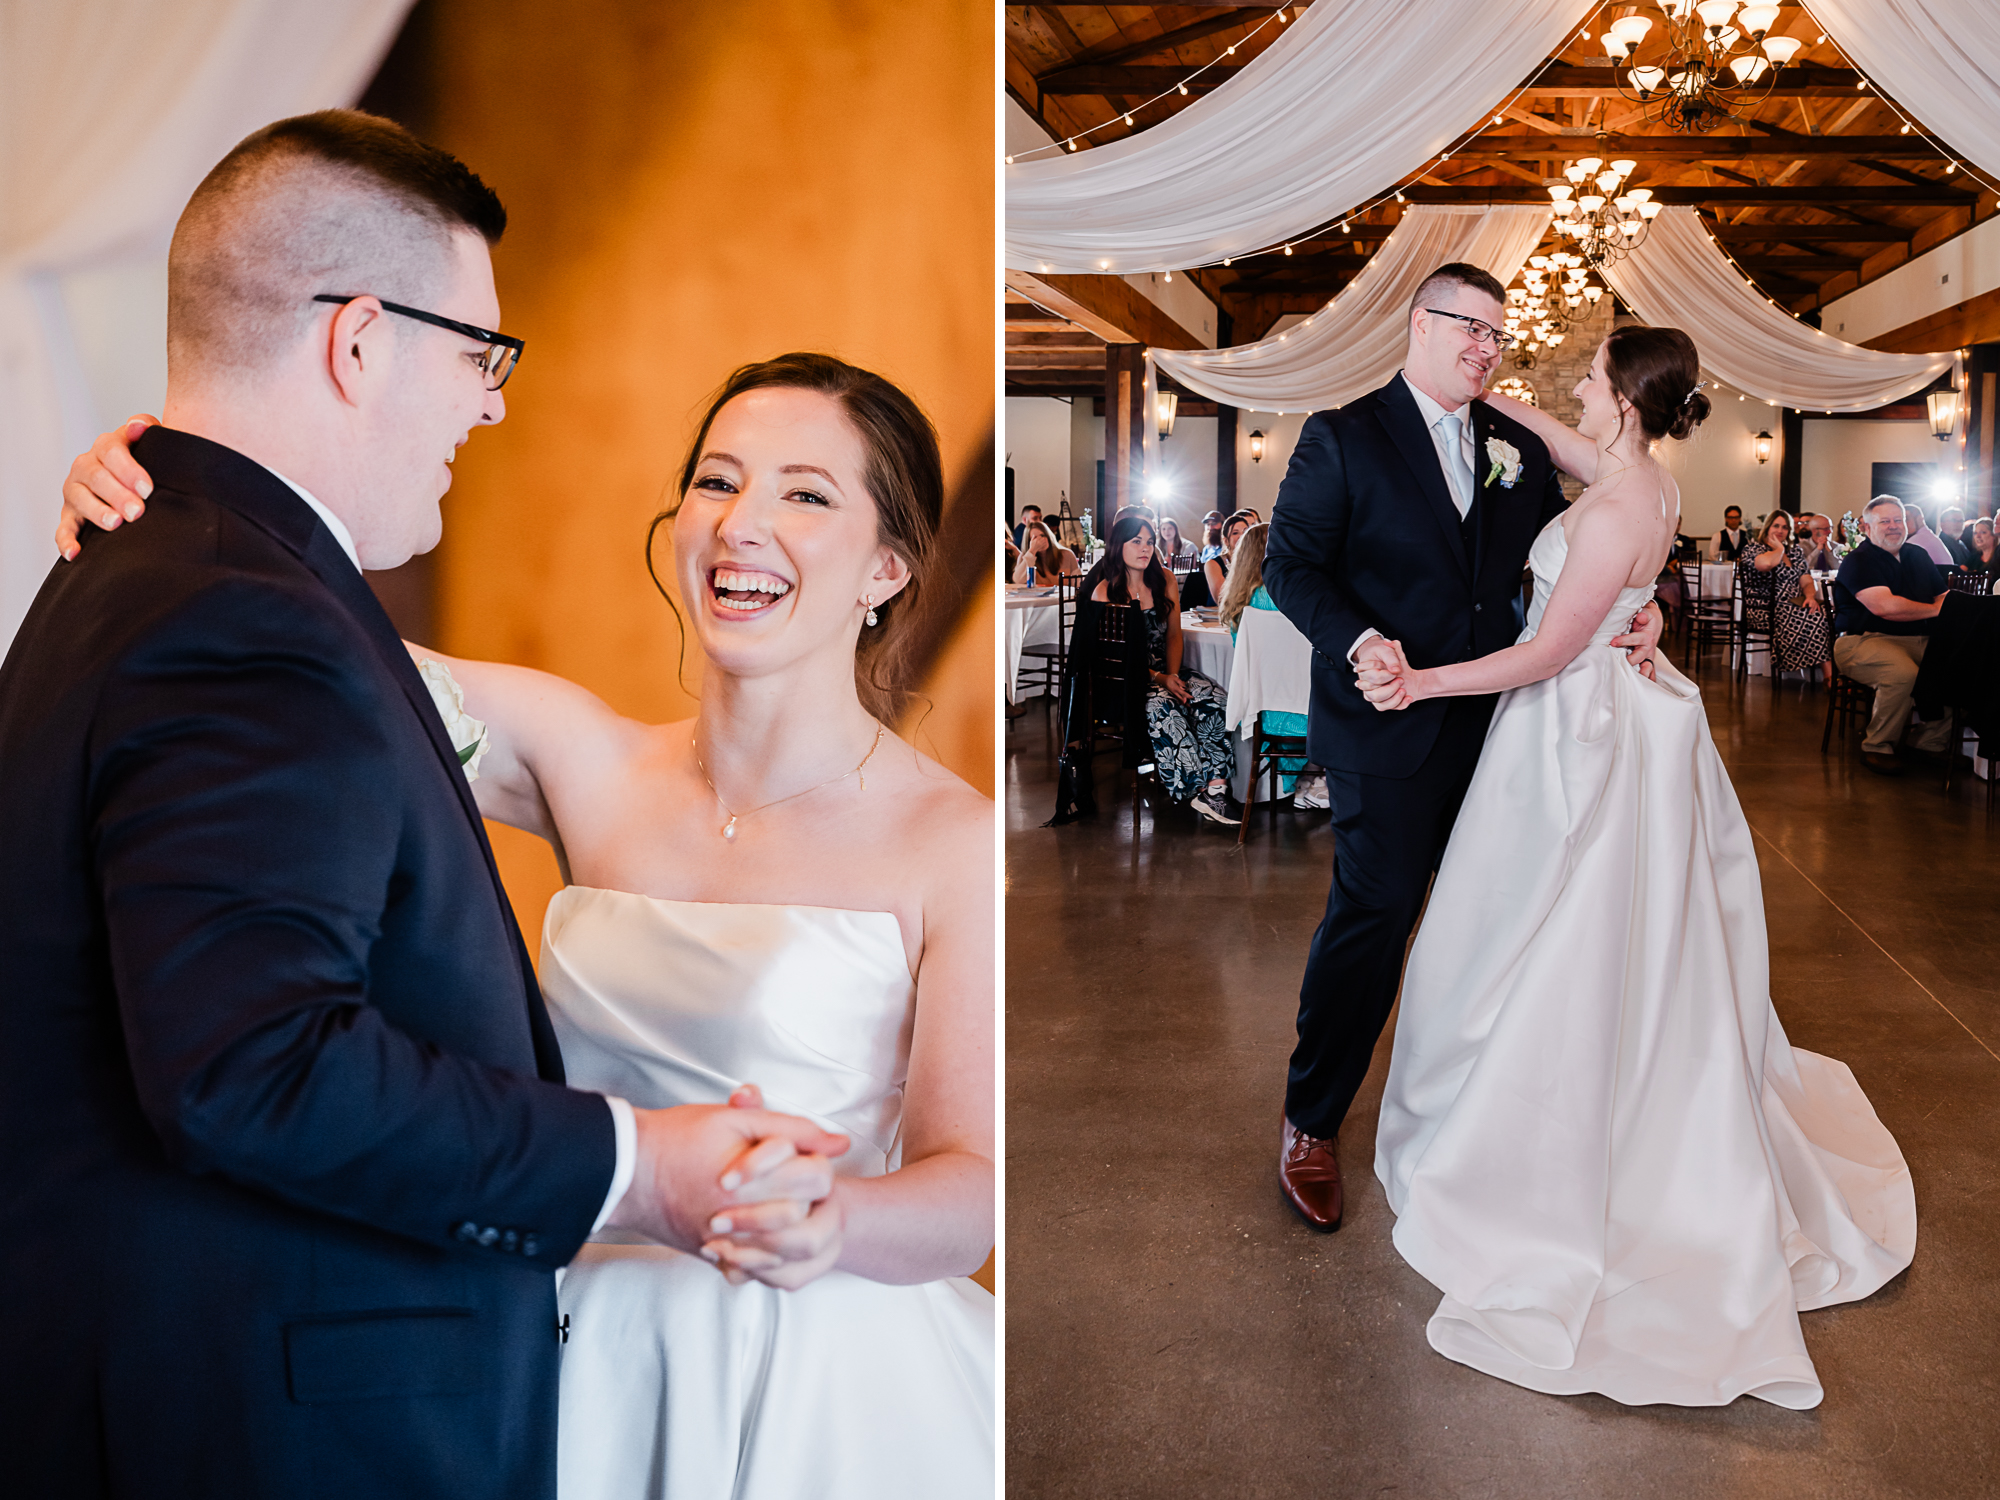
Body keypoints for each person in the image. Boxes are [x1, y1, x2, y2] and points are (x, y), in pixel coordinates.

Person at [10, 111, 854, 1500]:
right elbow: (252, 1062)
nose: (492, 405)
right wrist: (639, 1169)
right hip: (278, 1421)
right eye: (481, 355)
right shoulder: (242, 616)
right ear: (358, 342)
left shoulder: (168, 575)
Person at [64, 349, 998, 1497]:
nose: (741, 524)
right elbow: (292, 628)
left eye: (805, 494)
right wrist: (164, 497)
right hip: (573, 1341)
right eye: (715, 481)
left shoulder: (950, 840)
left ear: (886, 568)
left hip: (818, 1368)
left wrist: (831, 1219)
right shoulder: (582, 757)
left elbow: (969, 1185)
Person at [1355, 324, 1914, 1410]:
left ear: (1621, 396)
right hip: (1610, 707)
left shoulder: (1616, 507)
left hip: (1572, 727)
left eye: (1589, 373)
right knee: (1562, 923)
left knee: (1549, 927)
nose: (1573, 381)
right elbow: (1560, 442)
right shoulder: (1643, 476)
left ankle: (1545, 1135)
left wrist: (1421, 682)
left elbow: (1545, 651)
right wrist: (1474, 388)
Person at [1260, 261, 1663, 1233]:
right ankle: (1311, 1119)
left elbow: (1596, 539)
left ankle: (1477, 1111)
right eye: (1468, 327)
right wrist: (1360, 640)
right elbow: (1291, 564)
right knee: (1378, 914)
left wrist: (1643, 609)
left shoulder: (1513, 443)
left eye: (1497, 333)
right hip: (1386, 724)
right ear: (1419, 324)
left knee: (1500, 918)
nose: (1486, 348)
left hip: (1508, 724)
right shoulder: (1341, 435)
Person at [1081, 514, 1239, 824]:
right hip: (1126, 679)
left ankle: (1217, 788)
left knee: (1213, 697)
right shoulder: (1105, 591)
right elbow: (1115, 658)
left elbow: (1174, 635)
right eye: (1136, 541)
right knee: (1164, 706)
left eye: (1150, 542)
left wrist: (1174, 675)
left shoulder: (1164, 579)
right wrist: (1161, 679)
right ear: (1118, 545)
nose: (1145, 548)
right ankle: (1195, 789)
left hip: (1166, 669)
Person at [1833, 496, 1953, 775]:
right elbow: (1885, 608)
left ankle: (1928, 743)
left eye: (1899, 520)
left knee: (1959, 666)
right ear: (1866, 527)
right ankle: (1877, 746)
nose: (1894, 526)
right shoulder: (1858, 560)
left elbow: (1944, 596)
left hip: (1920, 639)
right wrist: (1935, 610)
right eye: (1884, 521)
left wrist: (1941, 607)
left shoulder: (1917, 555)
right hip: (1863, 640)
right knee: (1903, 674)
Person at [1220, 522, 1318, 807]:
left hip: (1262, 710)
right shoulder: (1291, 595)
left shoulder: (1239, 601)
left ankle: (1304, 781)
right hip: (1306, 709)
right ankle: (1317, 777)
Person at [1739, 510, 1832, 685]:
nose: (1780, 531)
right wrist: (1779, 549)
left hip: (1794, 604)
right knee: (1813, 617)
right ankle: (1830, 677)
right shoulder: (1753, 548)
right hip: (1765, 609)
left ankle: (1829, 675)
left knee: (1825, 612)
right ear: (1767, 527)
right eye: (1776, 526)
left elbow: (1807, 580)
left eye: (1785, 527)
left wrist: (1810, 597)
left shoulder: (1795, 551)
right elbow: (1766, 564)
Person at [1202, 508, 1258, 606]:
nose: (1242, 536)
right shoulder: (1213, 564)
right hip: (1218, 613)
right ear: (1226, 540)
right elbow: (1222, 600)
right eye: (1235, 533)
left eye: (1245, 532)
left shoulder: (1255, 562)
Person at [1012, 518, 1080, 585]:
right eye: (1034, 538)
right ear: (1029, 541)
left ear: (1049, 536)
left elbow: (1077, 581)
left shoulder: (1067, 554)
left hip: (1061, 592)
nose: (1040, 540)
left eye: (1042, 535)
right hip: (1036, 592)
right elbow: (1018, 580)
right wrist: (1032, 552)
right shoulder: (1024, 557)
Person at [1903, 500, 1954, 568]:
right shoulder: (1929, 536)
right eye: (1900, 520)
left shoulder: (1915, 542)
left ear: (1920, 519)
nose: (1903, 524)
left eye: (1906, 519)